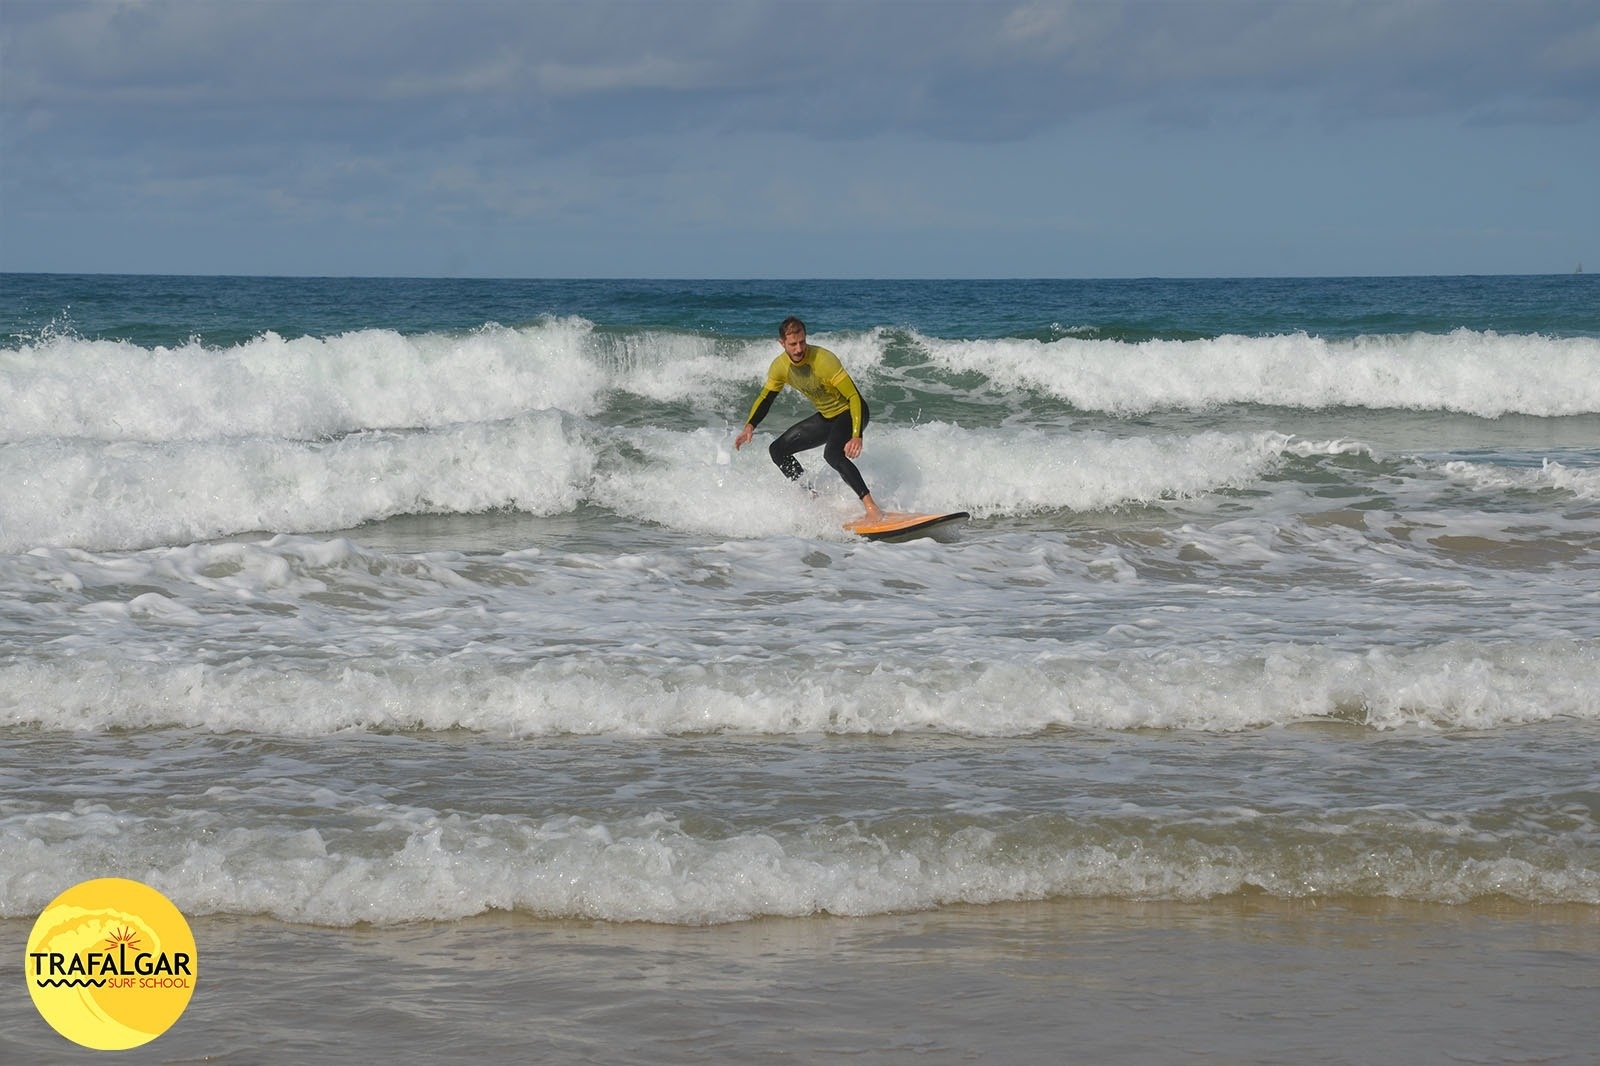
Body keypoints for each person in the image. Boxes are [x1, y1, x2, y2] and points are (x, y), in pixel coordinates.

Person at [735, 316, 884, 522]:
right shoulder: (779, 367)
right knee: (777, 450)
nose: (799, 349)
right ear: (782, 343)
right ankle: (812, 497)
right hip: (827, 416)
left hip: (852, 411)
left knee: (832, 454)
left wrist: (856, 435)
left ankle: (871, 507)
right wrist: (750, 426)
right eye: (793, 344)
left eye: (802, 342)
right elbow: (766, 398)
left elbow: (853, 397)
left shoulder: (824, 360)